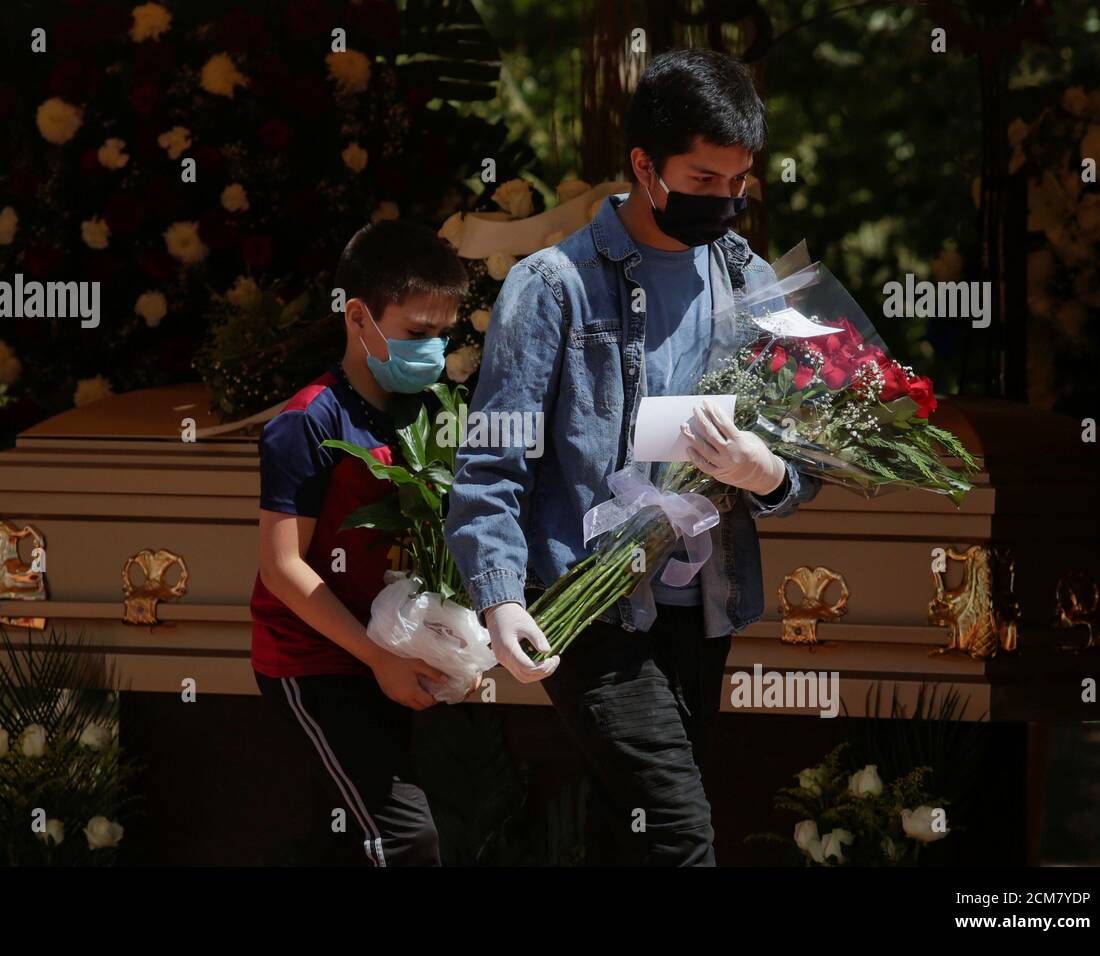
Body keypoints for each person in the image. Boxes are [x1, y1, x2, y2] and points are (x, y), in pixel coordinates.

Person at [445, 48, 820, 865]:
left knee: (638, 832)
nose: (723, 200)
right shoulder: (554, 286)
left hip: (706, 605)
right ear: (643, 166)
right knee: (682, 835)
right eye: (701, 179)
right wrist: (501, 596)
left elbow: (804, 451)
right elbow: (491, 464)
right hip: (590, 604)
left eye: (737, 183)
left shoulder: (750, 280)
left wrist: (771, 475)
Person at [251, 219, 468, 866]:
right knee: (402, 839)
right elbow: (282, 566)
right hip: (315, 663)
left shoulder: (428, 412)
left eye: (443, 335)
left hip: (387, 655)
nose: (432, 351)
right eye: (417, 334)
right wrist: (377, 658)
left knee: (348, 840)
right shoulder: (307, 421)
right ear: (358, 318)